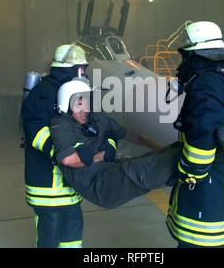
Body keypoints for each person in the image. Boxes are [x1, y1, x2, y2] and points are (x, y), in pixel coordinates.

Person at [166, 21, 224, 248]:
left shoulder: (208, 81)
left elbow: (204, 132)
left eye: (186, 57)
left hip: (211, 191)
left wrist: (188, 171)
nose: (183, 64)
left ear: (196, 54)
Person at [50, 79, 181, 210]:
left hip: (112, 170)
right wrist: (99, 157)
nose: (85, 110)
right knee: (143, 170)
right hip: (98, 185)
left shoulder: (97, 119)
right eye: (79, 104)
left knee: (154, 158)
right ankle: (189, 163)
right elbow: (68, 160)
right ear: (66, 105)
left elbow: (132, 135)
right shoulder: (61, 124)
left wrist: (159, 149)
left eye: (87, 103)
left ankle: (184, 158)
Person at [21, 44, 89, 248]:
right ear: (74, 69)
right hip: (46, 189)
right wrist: (65, 152)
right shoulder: (43, 93)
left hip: (69, 188)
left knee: (72, 239)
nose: (85, 73)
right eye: (83, 68)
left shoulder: (75, 91)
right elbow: (36, 132)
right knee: (49, 238)